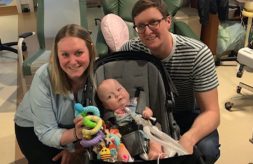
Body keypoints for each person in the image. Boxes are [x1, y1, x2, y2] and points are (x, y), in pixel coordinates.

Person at [120, 0, 220, 163]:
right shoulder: (129, 51)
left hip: (184, 114)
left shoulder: (198, 54)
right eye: (140, 26)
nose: (147, 31)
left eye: (153, 22)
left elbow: (212, 113)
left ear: (168, 21)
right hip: (145, 118)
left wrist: (188, 139)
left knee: (206, 150)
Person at [14, 24, 96, 164]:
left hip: (70, 126)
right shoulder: (43, 77)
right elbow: (45, 132)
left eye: (78, 53)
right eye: (65, 54)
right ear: (57, 56)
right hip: (34, 129)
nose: (72, 61)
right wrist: (72, 142)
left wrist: (77, 146)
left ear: (90, 50)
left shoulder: (99, 72)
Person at [97, 79, 165, 160]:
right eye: (110, 96)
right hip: (127, 141)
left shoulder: (136, 102)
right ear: (105, 106)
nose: (117, 95)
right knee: (118, 146)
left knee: (155, 142)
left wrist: (148, 113)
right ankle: (126, 159)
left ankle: (154, 154)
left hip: (147, 134)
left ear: (126, 90)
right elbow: (110, 132)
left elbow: (148, 110)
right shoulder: (112, 117)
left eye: (119, 89)